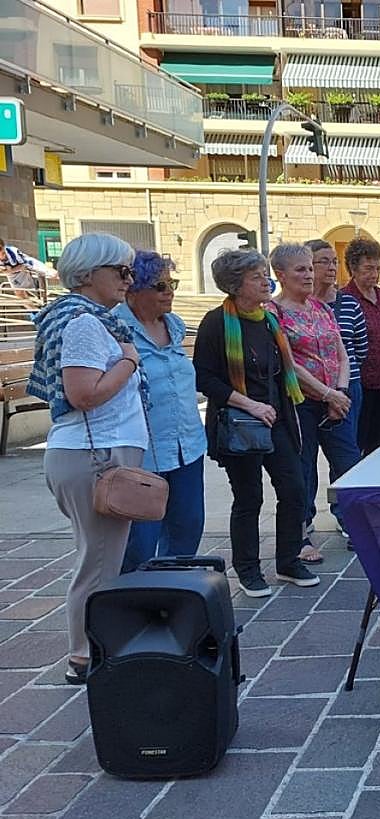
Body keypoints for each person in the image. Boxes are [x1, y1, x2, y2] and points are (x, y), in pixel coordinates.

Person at [29, 233, 146, 684]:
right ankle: (84, 656)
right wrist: (129, 362)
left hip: (94, 453)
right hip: (95, 455)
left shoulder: (89, 319)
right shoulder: (83, 323)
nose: (128, 279)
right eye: (120, 270)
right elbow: (82, 394)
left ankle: (93, 647)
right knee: (97, 562)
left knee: (98, 557)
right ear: (87, 273)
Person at [193, 249, 319, 597]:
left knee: (294, 489)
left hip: (276, 420)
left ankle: (288, 561)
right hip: (239, 423)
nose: (266, 281)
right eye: (257, 277)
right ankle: (248, 569)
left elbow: (280, 374)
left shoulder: (268, 321)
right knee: (249, 498)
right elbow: (204, 378)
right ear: (235, 285)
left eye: (266, 274)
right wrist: (249, 404)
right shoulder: (216, 322)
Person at [114, 250, 206, 572]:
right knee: (140, 543)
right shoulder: (116, 329)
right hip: (144, 454)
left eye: (172, 284)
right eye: (160, 286)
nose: (170, 292)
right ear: (133, 290)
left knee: (188, 528)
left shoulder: (175, 326)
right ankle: (134, 597)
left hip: (187, 447)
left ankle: (172, 593)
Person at [266, 243, 357, 565]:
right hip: (300, 403)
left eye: (309, 268)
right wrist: (326, 394)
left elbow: (342, 353)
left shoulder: (322, 308)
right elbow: (288, 363)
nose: (308, 275)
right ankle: (300, 534)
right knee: (301, 471)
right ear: (280, 274)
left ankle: (355, 525)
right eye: (300, 269)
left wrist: (340, 391)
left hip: (336, 401)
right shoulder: (273, 313)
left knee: (349, 464)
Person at [307, 239, 368, 443]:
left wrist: (342, 378)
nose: (332, 267)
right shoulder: (295, 307)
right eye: (324, 261)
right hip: (308, 390)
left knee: (346, 451)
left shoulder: (350, 303)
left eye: (335, 261)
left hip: (347, 387)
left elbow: (361, 350)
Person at [343, 237, 380, 456]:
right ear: (353, 268)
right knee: (356, 442)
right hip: (362, 383)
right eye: (368, 268)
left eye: (378, 268)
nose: (374, 274)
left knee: (379, 445)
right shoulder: (344, 299)